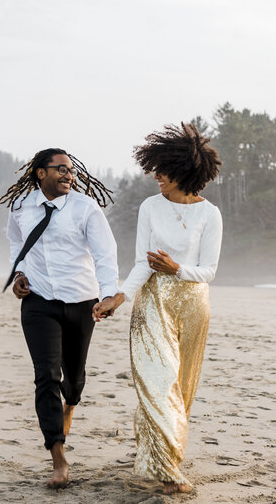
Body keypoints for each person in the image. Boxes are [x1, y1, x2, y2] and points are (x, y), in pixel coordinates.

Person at [93, 123, 223, 494]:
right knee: (158, 380)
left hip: (193, 304)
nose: (157, 176)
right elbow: (141, 262)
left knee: (180, 388)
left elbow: (209, 271)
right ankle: (170, 472)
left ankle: (156, 449)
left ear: (186, 171)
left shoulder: (209, 215)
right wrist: (119, 297)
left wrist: (177, 268)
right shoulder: (150, 206)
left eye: (164, 170)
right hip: (153, 302)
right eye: (156, 168)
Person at [0, 148, 119, 489]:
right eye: (61, 169)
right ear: (40, 173)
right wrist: (20, 273)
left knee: (74, 379)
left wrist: (109, 294)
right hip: (38, 302)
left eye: (72, 171)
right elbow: (15, 241)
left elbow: (105, 252)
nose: (69, 175)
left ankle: (72, 402)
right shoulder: (20, 207)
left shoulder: (85, 208)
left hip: (81, 301)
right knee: (46, 376)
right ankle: (58, 457)